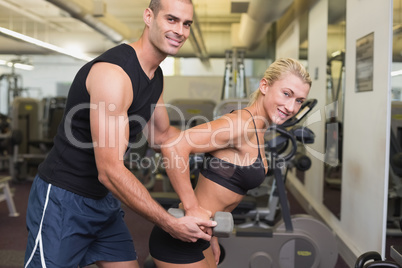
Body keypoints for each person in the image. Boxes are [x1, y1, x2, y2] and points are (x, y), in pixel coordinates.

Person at [24, 0, 218, 267]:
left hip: (102, 200)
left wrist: (222, 140)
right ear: (149, 16)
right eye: (171, 20)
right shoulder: (114, 74)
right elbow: (110, 170)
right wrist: (169, 223)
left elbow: (162, 136)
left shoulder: (155, 75)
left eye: (186, 24)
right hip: (63, 199)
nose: (181, 31)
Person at [148, 58, 312, 267]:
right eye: (286, 94)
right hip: (182, 236)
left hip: (202, 235)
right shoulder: (241, 124)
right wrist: (192, 208)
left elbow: (218, 192)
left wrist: (213, 236)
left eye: (299, 100)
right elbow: (173, 147)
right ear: (264, 86)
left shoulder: (258, 128)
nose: (291, 107)